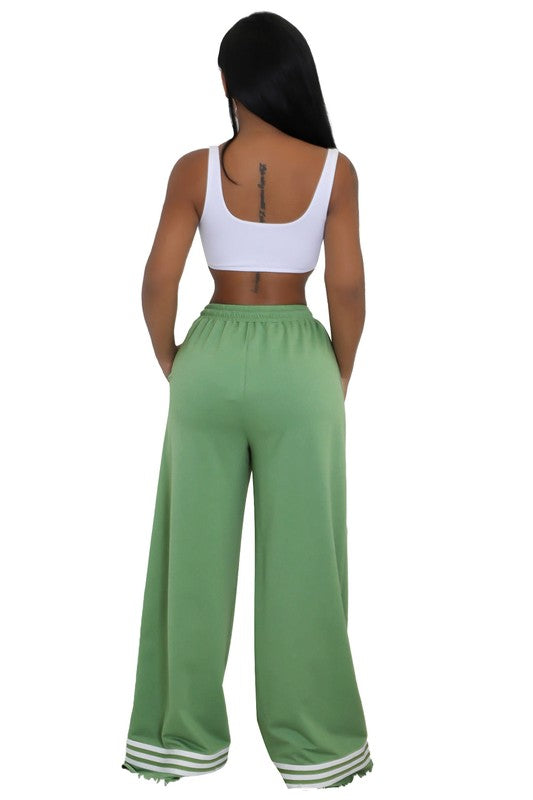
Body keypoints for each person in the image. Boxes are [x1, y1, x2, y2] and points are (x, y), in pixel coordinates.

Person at [121, 11, 372, 790]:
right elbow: (346, 288)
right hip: (299, 361)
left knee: (190, 556)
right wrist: (337, 371)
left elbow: (158, 281)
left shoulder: (192, 170)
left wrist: (173, 360)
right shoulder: (334, 171)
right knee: (305, 563)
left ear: (229, 81)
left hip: (210, 356)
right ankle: (315, 746)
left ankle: (181, 740)